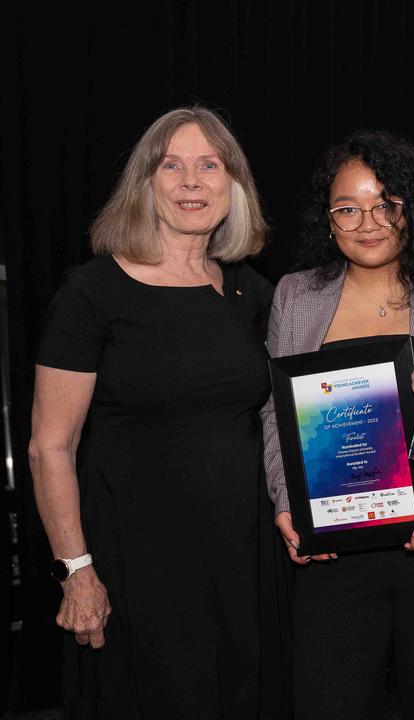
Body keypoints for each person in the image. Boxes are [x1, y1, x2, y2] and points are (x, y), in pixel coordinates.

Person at [30, 107, 286, 718]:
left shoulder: (253, 292)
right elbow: (50, 448)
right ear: (144, 183)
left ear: (234, 186)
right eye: (172, 166)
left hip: (245, 560)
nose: (191, 182)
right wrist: (77, 569)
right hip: (136, 566)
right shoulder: (93, 293)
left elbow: (288, 415)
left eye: (208, 166)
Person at [261, 129, 414, 719]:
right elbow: (275, 409)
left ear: (411, 210)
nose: (368, 222)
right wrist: (288, 501)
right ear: (328, 218)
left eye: (386, 204)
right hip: (332, 548)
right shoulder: (295, 296)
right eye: (347, 207)